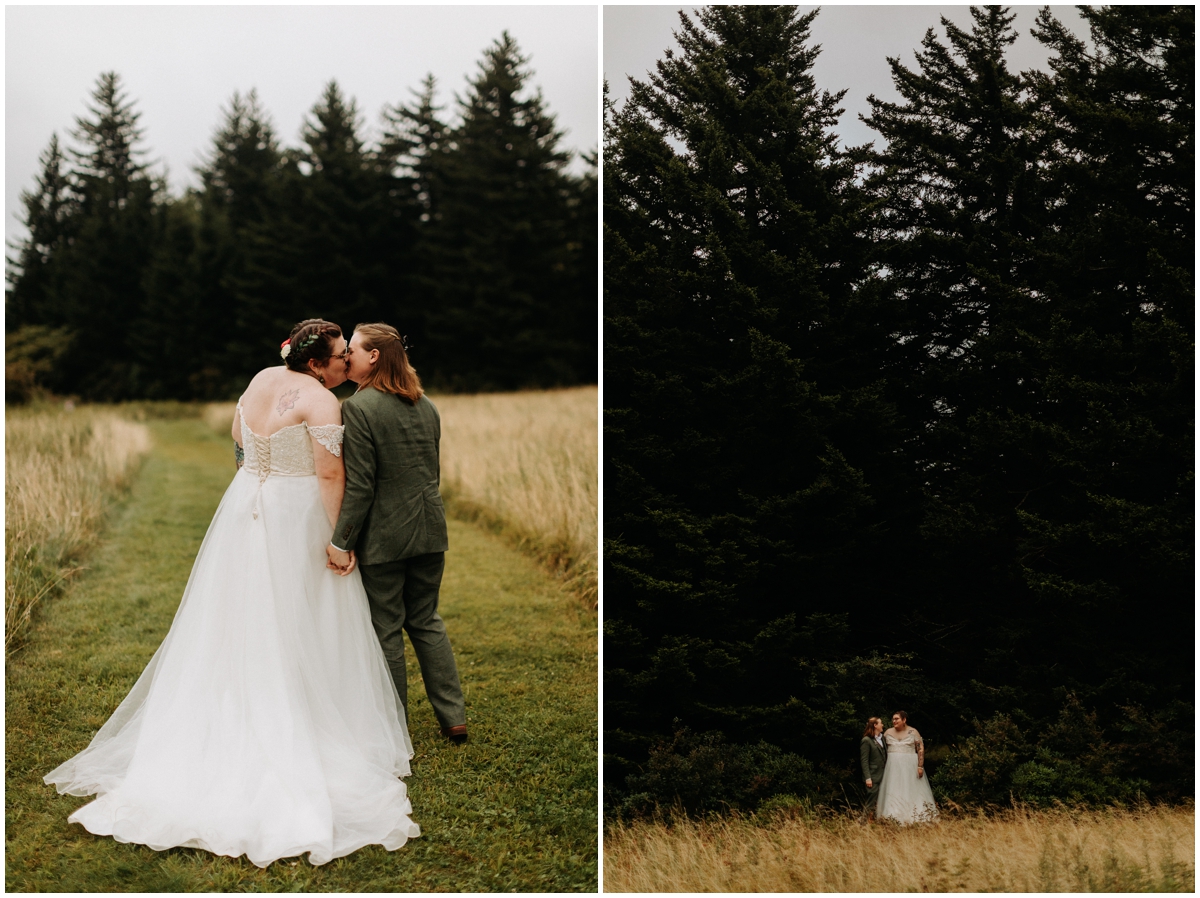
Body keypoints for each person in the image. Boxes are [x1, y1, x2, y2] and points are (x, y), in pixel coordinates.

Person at [44, 319, 420, 868]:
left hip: (245, 508)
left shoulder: (261, 378)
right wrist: (341, 542)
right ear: (316, 364)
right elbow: (331, 477)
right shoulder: (322, 402)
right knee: (304, 614)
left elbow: (240, 440)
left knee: (240, 615)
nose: (347, 364)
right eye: (341, 356)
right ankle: (302, 717)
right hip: (296, 517)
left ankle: (237, 701)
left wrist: (255, 482)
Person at [326, 322, 467, 743]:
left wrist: (341, 540)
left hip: (385, 538)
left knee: (386, 628)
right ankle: (454, 717)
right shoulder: (426, 405)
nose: (346, 355)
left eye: (352, 348)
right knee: (426, 620)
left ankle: (394, 727)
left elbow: (362, 486)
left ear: (374, 357)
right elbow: (431, 474)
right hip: (430, 529)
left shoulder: (358, 408)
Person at [875, 710, 938, 824]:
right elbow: (880, 748)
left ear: (904, 720)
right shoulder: (888, 732)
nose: (894, 721)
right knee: (893, 787)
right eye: (893, 719)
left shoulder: (913, 732)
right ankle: (892, 816)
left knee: (911, 788)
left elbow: (920, 749)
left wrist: (920, 766)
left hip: (909, 765)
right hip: (892, 766)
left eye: (897, 719)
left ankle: (915, 815)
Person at [859, 717, 887, 823]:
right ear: (875, 725)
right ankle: (862, 823)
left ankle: (876, 823)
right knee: (870, 802)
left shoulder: (882, 738)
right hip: (873, 776)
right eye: (881, 723)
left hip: (884, 774)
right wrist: (868, 778)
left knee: (880, 801)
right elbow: (864, 761)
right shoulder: (866, 740)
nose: (882, 725)